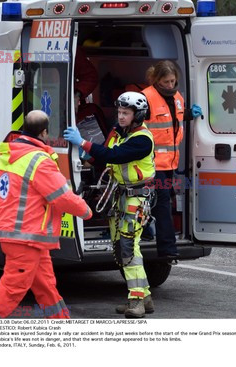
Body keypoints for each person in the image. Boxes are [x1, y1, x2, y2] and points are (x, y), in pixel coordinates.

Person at [0, 110, 93, 319]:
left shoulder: (5, 157)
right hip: (26, 238)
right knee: (13, 288)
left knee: (46, 287)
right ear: (44, 132)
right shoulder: (40, 161)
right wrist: (86, 211)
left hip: (19, 236)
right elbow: (62, 197)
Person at [64, 92, 156, 318]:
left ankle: (136, 301)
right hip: (118, 196)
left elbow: (115, 156)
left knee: (128, 248)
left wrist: (83, 142)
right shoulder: (117, 131)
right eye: (120, 112)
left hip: (136, 198)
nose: (121, 116)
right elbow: (104, 156)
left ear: (138, 115)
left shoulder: (143, 139)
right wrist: (87, 154)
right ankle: (145, 297)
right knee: (119, 248)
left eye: (126, 113)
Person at [141, 61, 202, 258]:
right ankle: (167, 249)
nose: (169, 85)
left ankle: (149, 233)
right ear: (157, 79)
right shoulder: (146, 97)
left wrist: (189, 115)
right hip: (151, 162)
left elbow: (174, 119)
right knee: (163, 202)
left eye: (172, 81)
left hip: (170, 162)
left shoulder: (176, 96)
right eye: (166, 81)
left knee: (158, 201)